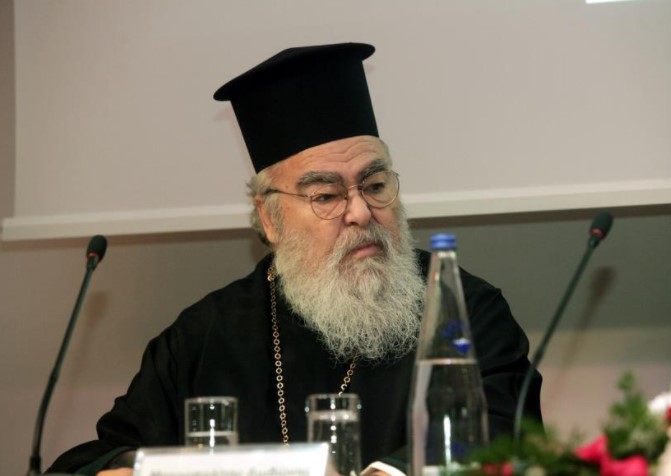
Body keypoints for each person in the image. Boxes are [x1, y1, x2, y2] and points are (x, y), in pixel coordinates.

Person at [47, 42, 542, 476]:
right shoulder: (203, 338)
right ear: (269, 218)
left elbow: (506, 432)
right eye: (326, 195)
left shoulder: (464, 311)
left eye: (374, 185)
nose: (360, 212)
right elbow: (98, 456)